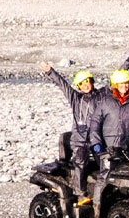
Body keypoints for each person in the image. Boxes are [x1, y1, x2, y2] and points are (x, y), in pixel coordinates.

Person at [40, 62, 103, 204]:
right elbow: (62, 85)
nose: (85, 85)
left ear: (91, 82)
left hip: (97, 139)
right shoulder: (76, 99)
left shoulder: (100, 97)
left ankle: (102, 193)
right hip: (80, 141)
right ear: (78, 86)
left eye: (87, 82)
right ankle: (80, 194)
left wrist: (126, 64)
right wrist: (50, 71)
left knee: (105, 162)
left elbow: (115, 84)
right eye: (82, 84)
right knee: (80, 161)